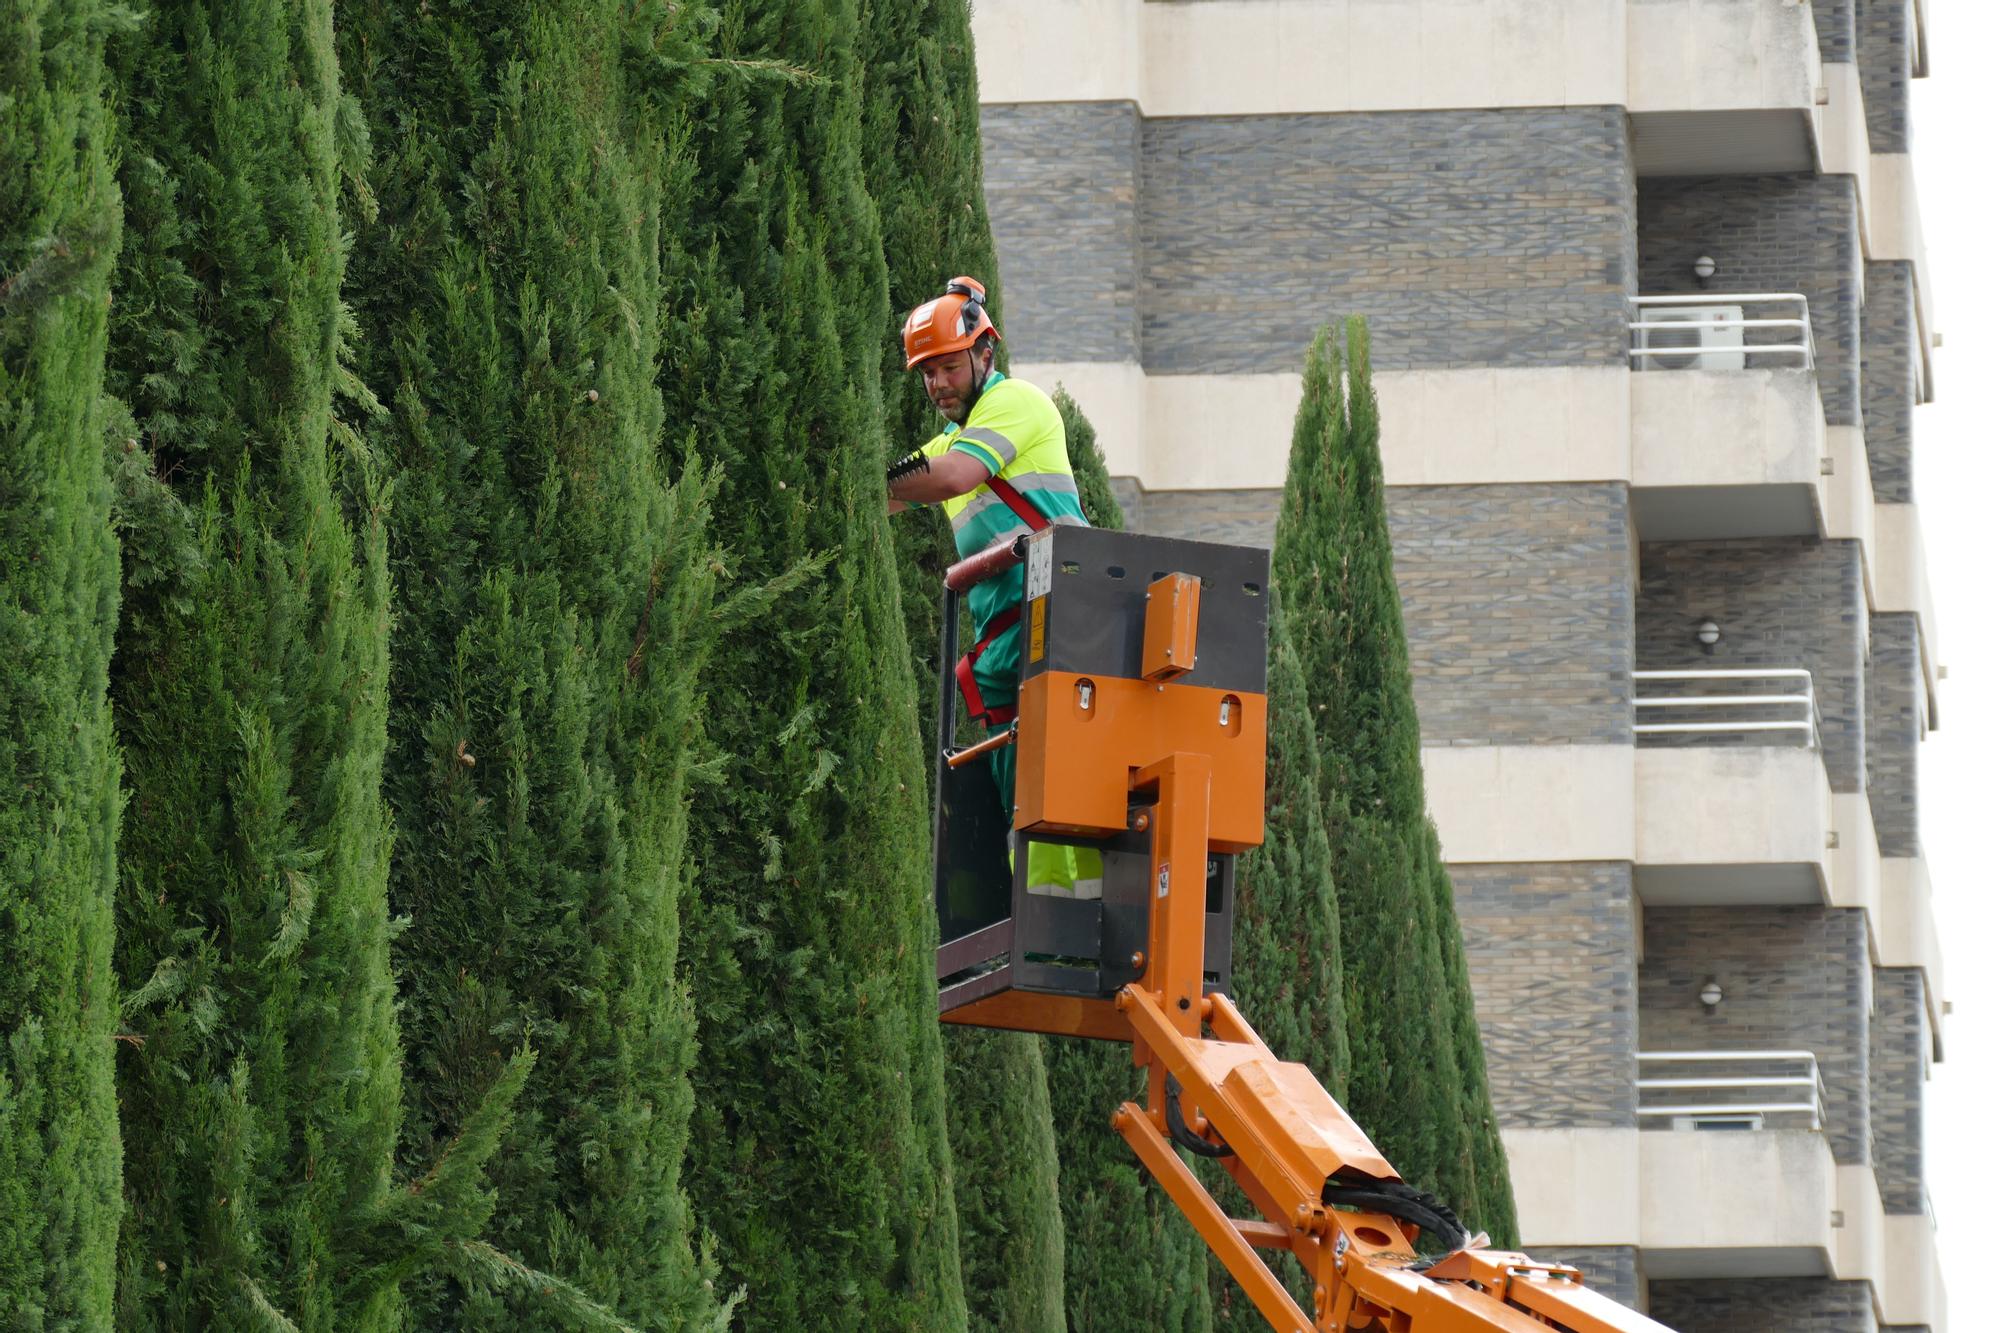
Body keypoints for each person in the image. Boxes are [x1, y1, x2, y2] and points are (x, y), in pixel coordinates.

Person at [888, 277, 1098, 896]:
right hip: (1010, 636)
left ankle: (1077, 928)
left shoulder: (1017, 404)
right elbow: (904, 484)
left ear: (985, 354)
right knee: (1020, 797)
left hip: (1065, 613)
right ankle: (1035, 926)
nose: (938, 385)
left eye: (949, 367)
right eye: (926, 374)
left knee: (1061, 781)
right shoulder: (949, 439)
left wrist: (881, 481)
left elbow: (953, 475)